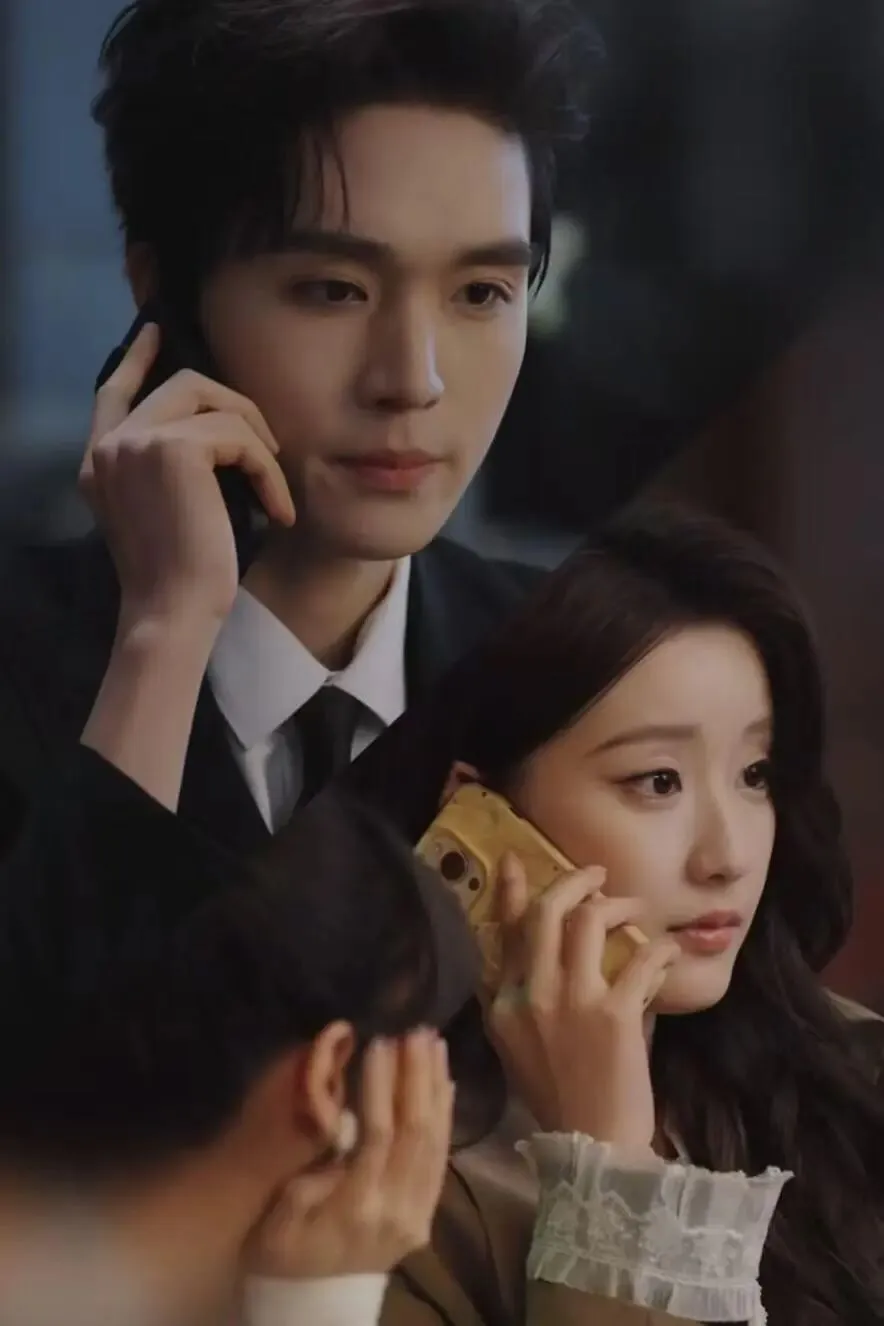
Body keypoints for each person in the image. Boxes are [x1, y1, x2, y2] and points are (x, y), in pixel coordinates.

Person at [0, 0, 595, 848]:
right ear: (164, 295)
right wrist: (162, 642)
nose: (413, 381)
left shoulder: (578, 668)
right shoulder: (26, 663)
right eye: (333, 290)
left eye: (479, 294)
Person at [329, 503, 884, 1326]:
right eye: (658, 781)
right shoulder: (374, 1203)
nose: (728, 855)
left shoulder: (854, 1077)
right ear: (476, 814)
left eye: (755, 774)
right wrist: (606, 1163)